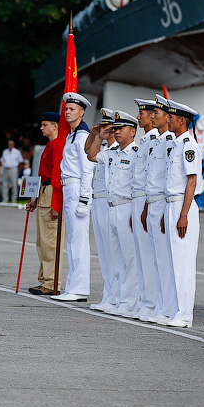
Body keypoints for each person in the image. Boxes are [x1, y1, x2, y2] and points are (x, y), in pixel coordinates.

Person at [88, 111, 141, 317]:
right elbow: (91, 155)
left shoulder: (136, 152)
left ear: (133, 131)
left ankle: (129, 302)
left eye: (121, 129)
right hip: (111, 207)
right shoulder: (112, 152)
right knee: (115, 258)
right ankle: (117, 298)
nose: (117, 132)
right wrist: (100, 137)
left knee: (130, 257)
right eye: (115, 129)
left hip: (127, 206)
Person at [161, 99, 201, 328]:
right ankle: (176, 309)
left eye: (171, 117)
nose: (168, 119)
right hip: (172, 204)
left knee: (183, 262)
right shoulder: (176, 144)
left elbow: (191, 181)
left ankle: (185, 314)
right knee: (173, 261)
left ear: (182, 121)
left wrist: (183, 214)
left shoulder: (188, 145)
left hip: (181, 206)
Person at [51, 92, 94, 302]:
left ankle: (79, 289)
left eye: (72, 109)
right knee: (72, 241)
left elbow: (88, 170)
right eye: (66, 109)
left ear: (82, 112)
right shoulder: (71, 135)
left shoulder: (84, 137)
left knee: (78, 241)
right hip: (69, 188)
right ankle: (73, 286)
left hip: (77, 188)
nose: (68, 112)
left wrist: (85, 199)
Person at [141, 95, 177, 324]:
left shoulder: (173, 142)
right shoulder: (157, 142)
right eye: (152, 113)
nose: (153, 116)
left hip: (165, 203)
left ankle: (168, 307)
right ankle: (159, 305)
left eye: (157, 113)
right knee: (155, 259)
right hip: (152, 202)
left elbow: (171, 180)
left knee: (166, 260)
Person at [26, 112, 65, 295]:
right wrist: (35, 200)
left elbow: (59, 178)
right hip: (44, 192)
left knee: (50, 241)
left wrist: (57, 204)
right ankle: (44, 279)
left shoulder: (58, 146)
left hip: (52, 194)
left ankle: (51, 283)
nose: (42, 128)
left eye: (45, 125)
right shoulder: (49, 146)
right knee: (42, 241)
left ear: (55, 126)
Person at [130, 99, 162, 321]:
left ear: (152, 117)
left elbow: (151, 177)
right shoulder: (145, 140)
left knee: (150, 256)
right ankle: (145, 301)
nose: (139, 117)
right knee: (141, 256)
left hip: (146, 198)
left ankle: (151, 303)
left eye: (142, 114)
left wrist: (145, 207)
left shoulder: (155, 140)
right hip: (139, 197)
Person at [86, 108, 117, 312]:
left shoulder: (118, 151)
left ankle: (115, 296)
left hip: (109, 203)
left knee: (113, 253)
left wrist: (100, 137)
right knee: (104, 253)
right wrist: (95, 134)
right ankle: (109, 295)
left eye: (108, 127)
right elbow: (89, 151)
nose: (104, 130)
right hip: (97, 200)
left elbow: (91, 154)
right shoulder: (104, 148)